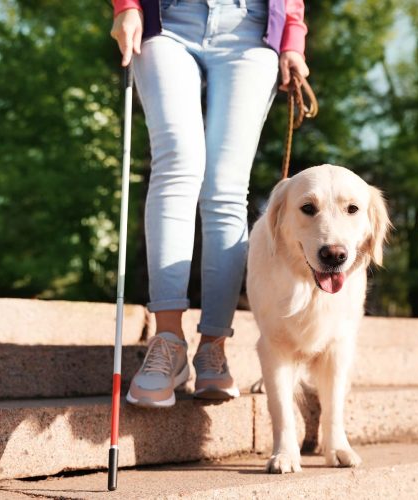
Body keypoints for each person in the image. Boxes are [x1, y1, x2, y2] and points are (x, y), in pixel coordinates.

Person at [110, 0, 309, 408]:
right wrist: (127, 5)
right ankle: (167, 342)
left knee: (227, 189)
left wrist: (293, 35)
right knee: (176, 165)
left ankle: (213, 345)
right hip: (167, 21)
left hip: (250, 31)